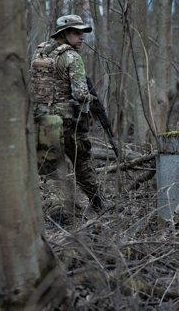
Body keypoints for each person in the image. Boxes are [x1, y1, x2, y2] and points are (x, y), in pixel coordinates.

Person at [30, 14, 104, 212]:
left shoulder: (40, 52)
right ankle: (97, 204)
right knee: (82, 162)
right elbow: (80, 93)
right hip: (68, 121)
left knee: (51, 168)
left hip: (43, 119)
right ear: (65, 33)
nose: (81, 37)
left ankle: (58, 210)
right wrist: (91, 98)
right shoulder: (72, 57)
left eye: (82, 33)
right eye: (77, 33)